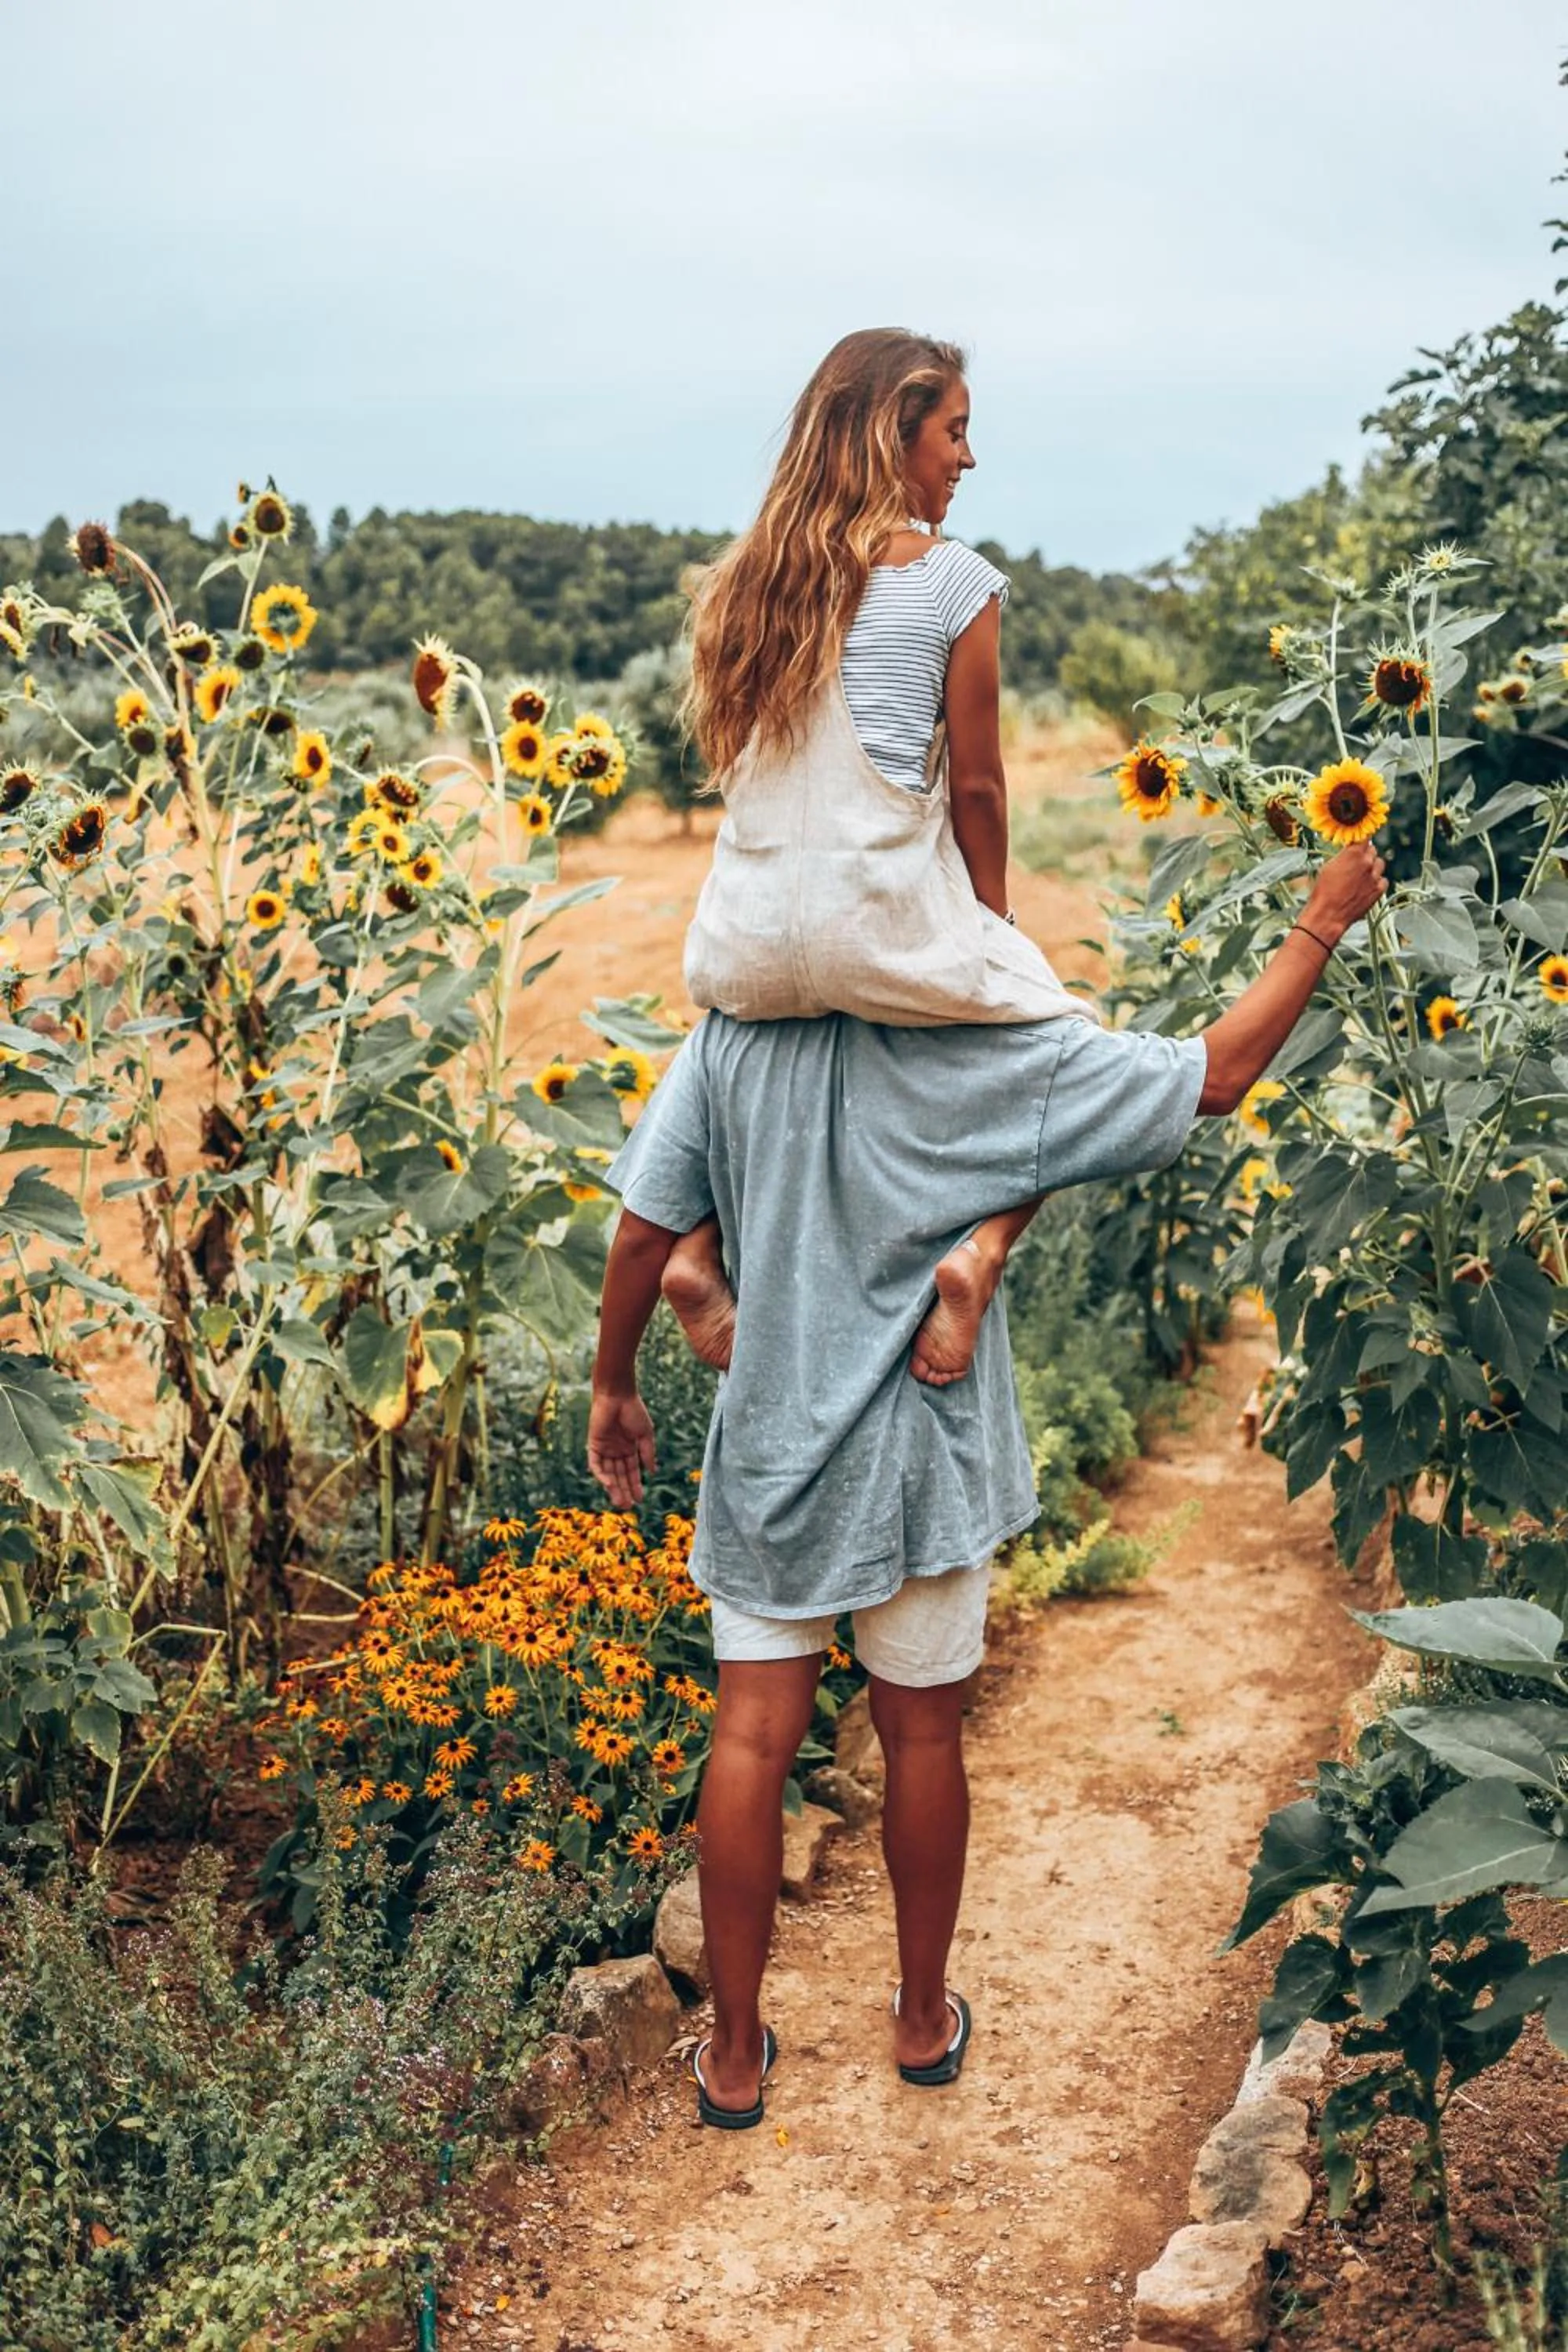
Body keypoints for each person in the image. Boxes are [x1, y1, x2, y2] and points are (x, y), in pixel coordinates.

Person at [588, 840, 1386, 2125]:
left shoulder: (736, 1037)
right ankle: (916, 2020)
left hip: (773, 1445)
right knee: (920, 1732)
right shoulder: (988, 1045)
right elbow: (1215, 1075)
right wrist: (1321, 921)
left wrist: (613, 1381)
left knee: (751, 1735)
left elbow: (639, 1225)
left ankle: (733, 2054)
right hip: (924, 1438)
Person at [672, 328, 1102, 1391]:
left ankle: (692, 1250)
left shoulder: (745, 587)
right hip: (875, 931)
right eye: (954, 433)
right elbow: (980, 789)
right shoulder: (954, 584)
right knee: (1068, 1035)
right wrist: (992, 926)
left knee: (713, 1080)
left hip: (745, 949)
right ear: (892, 436)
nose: (967, 459)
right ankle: (978, 1258)